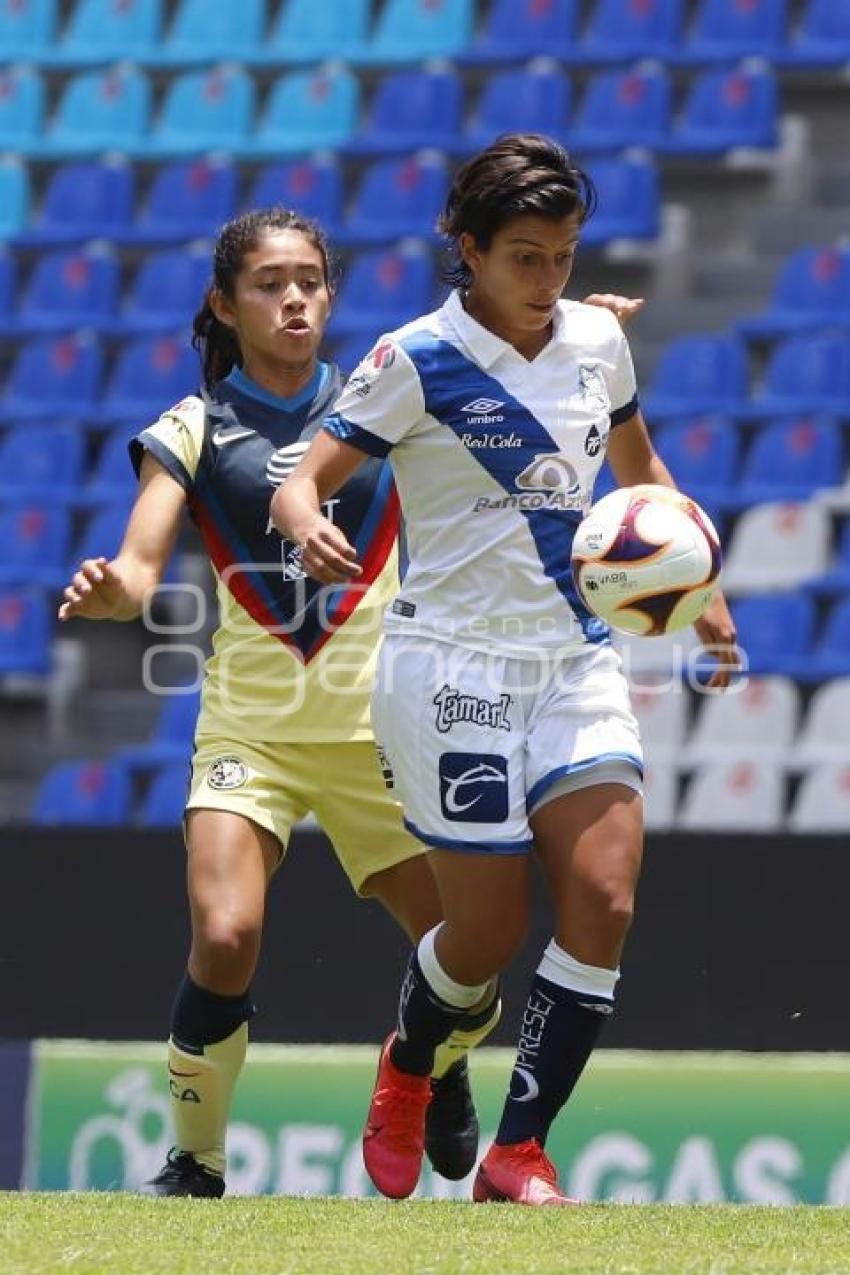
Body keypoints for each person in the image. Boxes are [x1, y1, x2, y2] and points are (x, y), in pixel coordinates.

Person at [57, 206, 638, 1199]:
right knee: (227, 933)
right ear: (223, 302)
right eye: (268, 283)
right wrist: (118, 591)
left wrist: (569, 319)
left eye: (309, 282)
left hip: (386, 723)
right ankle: (194, 1160)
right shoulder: (189, 432)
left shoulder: (391, 395)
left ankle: (434, 1062)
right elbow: (142, 567)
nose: (293, 299)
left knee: (473, 952)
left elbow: (505, 368)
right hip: (254, 729)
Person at [270, 134, 738, 1207]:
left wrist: (698, 587)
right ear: (467, 250)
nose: (548, 280)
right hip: (450, 669)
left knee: (605, 896)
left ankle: (518, 1153)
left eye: (564, 256)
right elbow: (310, 477)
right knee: (482, 936)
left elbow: (639, 473)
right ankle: (408, 1064)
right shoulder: (413, 358)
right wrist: (303, 522)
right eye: (524, 256)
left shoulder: (594, 344)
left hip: (574, 658)